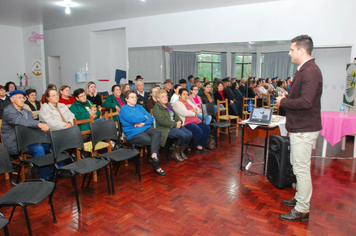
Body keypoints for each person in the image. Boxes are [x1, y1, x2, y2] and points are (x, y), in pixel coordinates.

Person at [277, 35, 323, 222]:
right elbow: (303, 96)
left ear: (302, 51)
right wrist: (288, 96)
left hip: (304, 127)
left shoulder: (311, 71)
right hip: (300, 126)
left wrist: (284, 101)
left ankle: (302, 208)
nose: (289, 53)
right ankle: (300, 197)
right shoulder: (305, 70)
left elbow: (305, 102)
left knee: (301, 169)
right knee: (297, 166)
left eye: (292, 49)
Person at [1, 90, 51, 179]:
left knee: (49, 142)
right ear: (12, 100)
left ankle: (58, 169)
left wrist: (38, 138)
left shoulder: (26, 111)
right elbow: (21, 121)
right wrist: (39, 124)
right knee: (38, 149)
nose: (22, 100)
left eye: (23, 98)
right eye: (19, 98)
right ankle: (45, 177)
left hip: (28, 139)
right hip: (15, 142)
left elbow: (30, 127)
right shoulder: (8, 111)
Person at [119, 90, 165, 176]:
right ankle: (157, 166)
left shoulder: (139, 107)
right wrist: (144, 117)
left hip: (144, 127)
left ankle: (154, 155)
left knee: (157, 131)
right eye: (132, 97)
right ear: (126, 99)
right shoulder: (124, 109)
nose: (134, 99)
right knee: (153, 140)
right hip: (133, 133)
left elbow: (151, 118)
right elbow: (133, 120)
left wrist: (144, 123)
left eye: (135, 97)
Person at [153, 89, 192, 162]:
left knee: (189, 134)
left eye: (166, 96)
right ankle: (175, 153)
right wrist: (175, 124)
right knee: (183, 135)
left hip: (175, 125)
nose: (165, 98)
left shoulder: (168, 105)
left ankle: (181, 151)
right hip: (165, 128)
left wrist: (179, 121)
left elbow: (175, 114)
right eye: (162, 97)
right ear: (158, 99)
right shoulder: (157, 108)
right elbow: (162, 121)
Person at [173, 88, 210, 153]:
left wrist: (193, 111)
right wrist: (193, 111)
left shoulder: (188, 101)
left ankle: (201, 145)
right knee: (198, 131)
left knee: (207, 128)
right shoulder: (177, 103)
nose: (185, 96)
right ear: (179, 95)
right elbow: (184, 113)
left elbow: (197, 109)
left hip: (195, 119)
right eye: (183, 94)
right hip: (186, 122)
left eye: (187, 94)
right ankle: (196, 145)